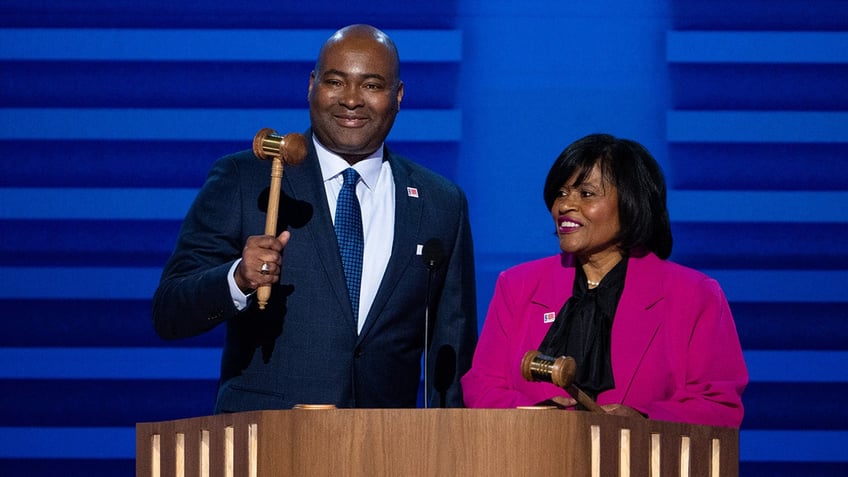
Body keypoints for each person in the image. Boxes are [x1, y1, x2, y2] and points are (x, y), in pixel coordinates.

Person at [152, 24, 477, 412]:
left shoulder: (441, 202)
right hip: (268, 443)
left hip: (387, 449)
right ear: (311, 85)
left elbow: (452, 353)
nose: (351, 100)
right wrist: (237, 279)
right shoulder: (247, 178)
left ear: (399, 95)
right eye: (335, 82)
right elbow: (170, 312)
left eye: (372, 85)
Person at [461, 133, 747, 427]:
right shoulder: (518, 285)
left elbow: (718, 405)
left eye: (586, 194)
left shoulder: (694, 295)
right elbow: (482, 387)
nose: (565, 206)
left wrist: (645, 422)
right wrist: (538, 417)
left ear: (631, 202)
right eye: (561, 193)